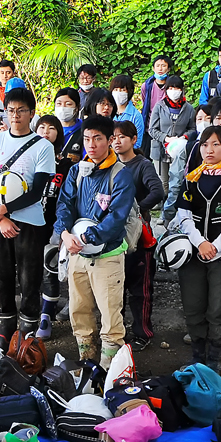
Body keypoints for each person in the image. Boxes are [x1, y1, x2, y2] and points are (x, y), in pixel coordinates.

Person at [53, 115, 136, 366]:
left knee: (111, 315)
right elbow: (64, 205)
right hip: (77, 252)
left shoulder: (121, 175)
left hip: (107, 255)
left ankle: (110, 372)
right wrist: (65, 234)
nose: (91, 144)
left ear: (110, 140)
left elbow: (117, 218)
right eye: (87, 138)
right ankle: (87, 363)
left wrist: (86, 237)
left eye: (97, 138)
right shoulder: (77, 170)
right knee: (79, 311)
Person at [0, 87, 57, 345]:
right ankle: (5, 340)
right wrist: (0, 217)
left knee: (29, 279)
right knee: (1, 278)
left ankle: (26, 341)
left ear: (32, 114)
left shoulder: (43, 146)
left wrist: (6, 210)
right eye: (10, 110)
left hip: (30, 223)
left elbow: (37, 191)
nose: (15, 115)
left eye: (21, 110)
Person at [173, 125, 221, 370]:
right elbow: (183, 215)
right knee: (193, 307)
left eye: (216, 144)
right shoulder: (191, 178)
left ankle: (214, 359)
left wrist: (216, 247)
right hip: (193, 255)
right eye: (204, 144)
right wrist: (200, 243)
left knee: (218, 309)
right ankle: (197, 357)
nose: (209, 149)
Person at [111, 120, 164, 349]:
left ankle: (142, 333)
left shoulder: (142, 165)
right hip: (112, 235)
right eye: (113, 137)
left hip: (139, 236)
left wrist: (136, 209)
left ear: (134, 139)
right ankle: (116, 331)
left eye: (122, 136)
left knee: (140, 288)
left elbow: (158, 191)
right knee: (113, 286)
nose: (117, 141)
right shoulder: (107, 165)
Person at [35, 116, 70, 338]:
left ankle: (46, 317)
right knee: (31, 270)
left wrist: (62, 227)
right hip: (30, 224)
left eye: (51, 128)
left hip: (55, 225)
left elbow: (68, 198)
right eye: (41, 127)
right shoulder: (28, 160)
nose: (46, 131)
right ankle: (34, 312)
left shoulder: (66, 164)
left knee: (51, 269)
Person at [148, 75, 195, 210]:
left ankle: (172, 208)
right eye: (171, 87)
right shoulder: (159, 106)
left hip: (179, 149)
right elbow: (152, 129)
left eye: (177, 88)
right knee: (162, 181)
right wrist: (165, 138)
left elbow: (193, 128)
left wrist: (184, 137)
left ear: (182, 90)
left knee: (176, 179)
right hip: (160, 149)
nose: (174, 90)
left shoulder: (188, 108)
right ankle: (163, 207)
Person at [164, 106, 211, 225]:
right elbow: (176, 181)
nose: (204, 122)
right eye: (199, 119)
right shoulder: (188, 147)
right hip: (190, 208)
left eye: (208, 118)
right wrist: (170, 211)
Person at [109, 74, 147, 149]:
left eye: (122, 90)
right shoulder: (107, 112)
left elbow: (137, 143)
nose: (118, 93)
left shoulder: (136, 116)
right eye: (116, 90)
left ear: (129, 92)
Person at [54, 87, 85, 163]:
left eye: (68, 104)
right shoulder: (47, 128)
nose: (62, 108)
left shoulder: (84, 130)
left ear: (77, 107)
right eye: (59, 104)